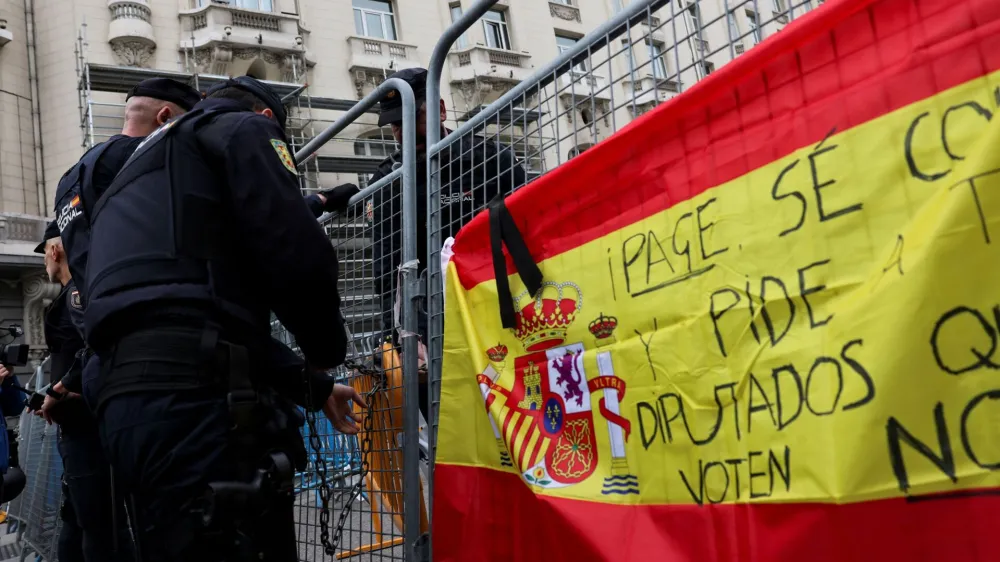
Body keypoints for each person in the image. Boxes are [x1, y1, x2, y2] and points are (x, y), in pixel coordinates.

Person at [83, 75, 365, 561]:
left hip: (122, 398)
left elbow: (194, 311)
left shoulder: (132, 183)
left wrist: (313, 391)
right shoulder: (242, 129)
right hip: (197, 402)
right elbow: (295, 250)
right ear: (264, 118)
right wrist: (324, 353)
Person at [368, 67, 527, 417]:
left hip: (494, 315)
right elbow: (385, 265)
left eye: (415, 117)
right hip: (425, 328)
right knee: (445, 429)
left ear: (441, 110)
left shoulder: (489, 160)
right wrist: (395, 336)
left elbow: (525, 234)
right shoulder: (387, 179)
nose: (405, 132)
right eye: (396, 125)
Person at [33, 222, 133, 562]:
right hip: (77, 430)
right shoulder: (73, 291)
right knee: (78, 519)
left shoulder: (78, 291)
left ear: (55, 250)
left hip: (88, 432)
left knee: (100, 525)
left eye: (44, 251)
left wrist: (63, 388)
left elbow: (96, 345)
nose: (44, 260)